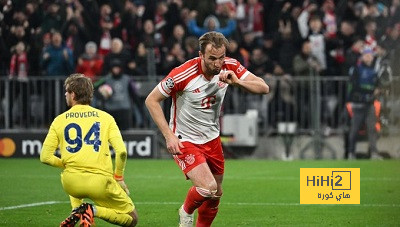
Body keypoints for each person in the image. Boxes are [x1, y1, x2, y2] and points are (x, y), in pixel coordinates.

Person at [145, 31, 269, 227]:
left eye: (221, 58)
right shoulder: (182, 74)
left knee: (216, 193)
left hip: (211, 138)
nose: (218, 64)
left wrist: (237, 82)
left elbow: (264, 87)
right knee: (207, 187)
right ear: (201, 55)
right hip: (184, 138)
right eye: (212, 58)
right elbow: (151, 100)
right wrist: (169, 136)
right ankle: (185, 212)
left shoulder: (230, 66)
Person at [40, 74, 138, 227]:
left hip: (71, 184)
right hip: (99, 183)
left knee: (69, 173)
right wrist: (118, 177)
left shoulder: (59, 120)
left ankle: (77, 211)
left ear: (73, 94)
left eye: (67, 91)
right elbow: (122, 152)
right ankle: (92, 210)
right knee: (132, 219)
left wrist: (65, 164)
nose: (65, 94)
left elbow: (45, 157)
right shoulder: (106, 118)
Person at [346, 48, 382, 160]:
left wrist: (377, 90)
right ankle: (351, 153)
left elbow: (377, 85)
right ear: (362, 57)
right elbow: (354, 86)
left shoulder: (375, 70)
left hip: (370, 103)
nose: (368, 57)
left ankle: (374, 153)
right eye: (366, 55)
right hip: (358, 104)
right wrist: (371, 91)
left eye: (370, 55)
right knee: (355, 129)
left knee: (372, 129)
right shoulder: (356, 69)